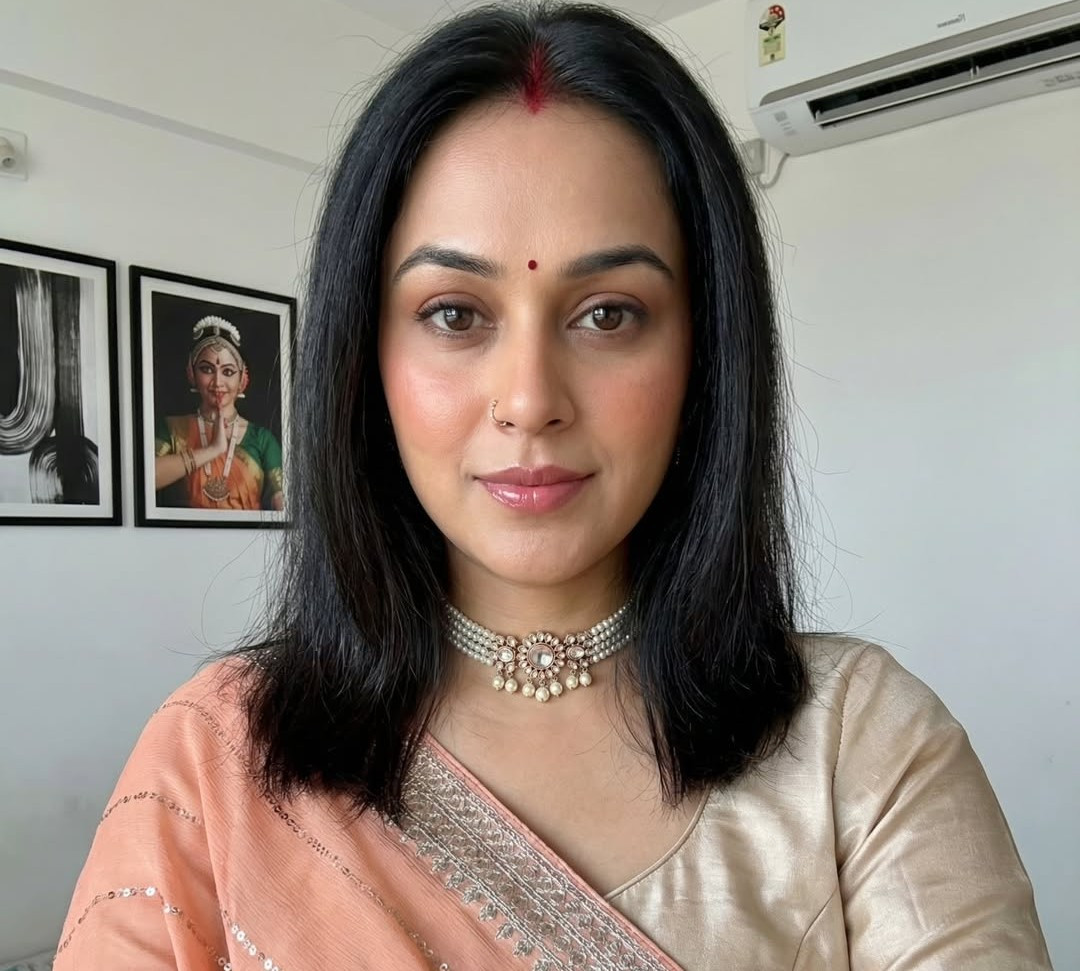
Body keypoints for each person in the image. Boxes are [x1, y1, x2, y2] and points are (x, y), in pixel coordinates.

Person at [57, 4, 1052, 968]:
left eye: (608, 313)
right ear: (365, 359)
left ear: (706, 354)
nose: (530, 400)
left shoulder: (857, 746)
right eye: (455, 314)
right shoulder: (217, 761)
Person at [153, 315, 284, 511]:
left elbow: (283, 503)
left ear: (242, 379)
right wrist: (213, 450)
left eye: (228, 372)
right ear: (191, 374)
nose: (217, 382)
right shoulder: (173, 429)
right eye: (207, 369)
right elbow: (144, 480)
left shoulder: (262, 439)